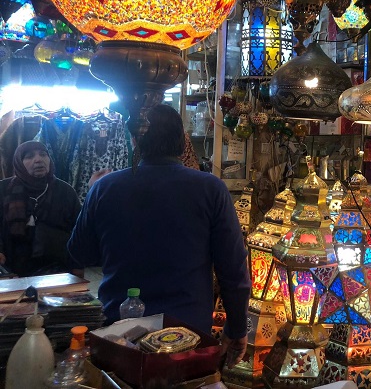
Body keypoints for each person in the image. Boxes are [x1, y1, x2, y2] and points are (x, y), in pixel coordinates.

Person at [68, 104, 251, 368]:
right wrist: (236, 328)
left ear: (134, 140)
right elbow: (233, 269)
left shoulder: (105, 187)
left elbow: (80, 253)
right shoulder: (210, 189)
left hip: (119, 333)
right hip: (187, 336)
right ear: (183, 143)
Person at [0, 141, 81, 276]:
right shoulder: (3, 189)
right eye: (29, 156)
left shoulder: (65, 191)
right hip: (10, 267)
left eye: (43, 154)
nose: (38, 160)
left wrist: (77, 266)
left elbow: (78, 231)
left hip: (56, 269)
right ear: (19, 163)